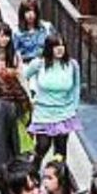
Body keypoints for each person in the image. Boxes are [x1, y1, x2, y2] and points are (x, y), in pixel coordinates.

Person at [24, 34, 82, 162]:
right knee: (42, 146)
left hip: (64, 112)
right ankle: (33, 174)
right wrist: (30, 97)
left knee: (60, 150)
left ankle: (59, 178)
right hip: (43, 112)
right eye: (56, 46)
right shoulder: (38, 64)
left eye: (62, 45)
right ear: (49, 48)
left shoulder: (72, 65)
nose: (60, 49)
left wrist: (74, 106)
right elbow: (23, 77)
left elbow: (76, 86)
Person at [13, 0, 53, 64]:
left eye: (33, 11)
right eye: (27, 12)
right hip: (26, 63)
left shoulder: (46, 27)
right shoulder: (17, 32)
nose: (30, 14)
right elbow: (15, 51)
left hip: (44, 62)